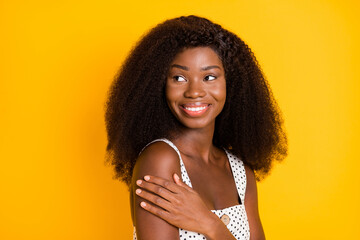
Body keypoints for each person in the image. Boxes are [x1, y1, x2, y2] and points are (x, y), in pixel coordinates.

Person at [105, 15, 288, 240]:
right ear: (159, 84)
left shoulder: (241, 173)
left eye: (209, 77)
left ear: (231, 84)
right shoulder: (160, 160)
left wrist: (209, 223)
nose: (194, 92)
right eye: (179, 78)